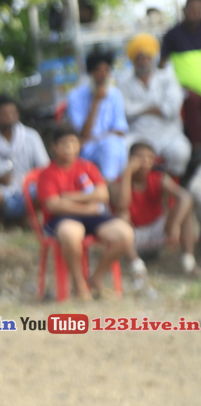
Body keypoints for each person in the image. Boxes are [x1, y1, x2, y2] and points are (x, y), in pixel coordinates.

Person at [36, 125, 135, 300]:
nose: (69, 149)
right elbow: (53, 205)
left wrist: (68, 197)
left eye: (73, 143)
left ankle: (96, 278)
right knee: (71, 234)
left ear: (79, 145)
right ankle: (79, 284)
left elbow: (103, 195)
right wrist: (86, 206)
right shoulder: (47, 173)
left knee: (125, 234)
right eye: (64, 144)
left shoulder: (87, 166)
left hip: (92, 216)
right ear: (54, 147)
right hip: (61, 219)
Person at [115, 142, 196, 276]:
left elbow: (186, 197)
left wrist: (175, 225)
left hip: (158, 229)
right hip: (132, 235)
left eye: (149, 158)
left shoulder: (158, 177)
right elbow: (122, 206)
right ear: (130, 159)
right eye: (140, 158)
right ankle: (136, 266)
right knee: (122, 215)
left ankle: (189, 262)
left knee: (185, 212)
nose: (145, 162)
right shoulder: (119, 182)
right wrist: (127, 172)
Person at [116, 34, 189, 177]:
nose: (143, 61)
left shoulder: (167, 78)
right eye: (139, 58)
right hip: (138, 134)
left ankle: (169, 184)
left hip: (168, 134)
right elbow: (125, 110)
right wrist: (153, 107)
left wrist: (139, 108)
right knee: (120, 150)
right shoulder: (123, 83)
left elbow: (171, 109)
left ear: (152, 58)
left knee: (181, 151)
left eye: (146, 57)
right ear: (133, 60)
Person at [0, 93, 50, 226]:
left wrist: (30, 179)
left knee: (46, 189)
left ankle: (25, 218)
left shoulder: (31, 137)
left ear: (17, 114)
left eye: (12, 113)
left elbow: (45, 168)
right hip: (2, 191)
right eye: (4, 113)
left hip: (27, 189)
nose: (9, 117)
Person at [64, 48, 128, 185]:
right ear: (91, 72)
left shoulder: (115, 94)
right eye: (98, 70)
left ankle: (108, 186)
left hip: (111, 144)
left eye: (106, 70)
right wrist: (96, 102)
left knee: (111, 145)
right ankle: (107, 188)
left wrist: (98, 137)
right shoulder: (75, 96)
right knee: (109, 146)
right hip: (86, 150)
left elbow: (120, 130)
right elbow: (83, 134)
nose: (103, 75)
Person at [161, 0, 201, 148]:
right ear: (184, 10)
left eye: (198, 10)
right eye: (191, 9)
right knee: (191, 101)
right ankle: (197, 145)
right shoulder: (173, 34)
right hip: (184, 88)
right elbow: (162, 63)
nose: (194, 13)